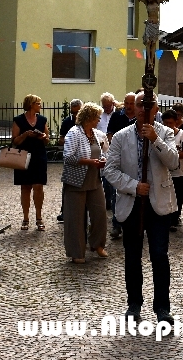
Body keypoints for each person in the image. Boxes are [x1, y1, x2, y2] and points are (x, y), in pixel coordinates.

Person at [102, 91, 180, 325]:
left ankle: (162, 308)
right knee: (132, 257)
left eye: (148, 105)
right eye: (139, 105)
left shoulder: (165, 132)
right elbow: (110, 170)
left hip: (158, 205)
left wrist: (155, 139)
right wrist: (134, 186)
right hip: (131, 203)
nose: (143, 109)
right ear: (133, 108)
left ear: (156, 108)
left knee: (159, 255)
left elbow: (174, 163)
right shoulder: (120, 137)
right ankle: (134, 303)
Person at [60, 102, 108, 264]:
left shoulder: (95, 133)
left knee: (100, 213)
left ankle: (97, 244)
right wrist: (90, 162)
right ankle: (76, 251)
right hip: (76, 181)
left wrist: (101, 160)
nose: (99, 120)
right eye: (97, 117)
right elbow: (68, 157)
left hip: (94, 179)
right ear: (89, 117)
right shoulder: (74, 133)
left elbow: (100, 152)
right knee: (75, 218)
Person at [11, 94, 50, 230]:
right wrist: (26, 134)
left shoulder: (42, 120)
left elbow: (47, 140)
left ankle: (39, 217)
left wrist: (43, 137)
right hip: (23, 156)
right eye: (38, 103)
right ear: (31, 104)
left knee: (38, 187)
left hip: (39, 156)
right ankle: (26, 218)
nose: (40, 106)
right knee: (25, 187)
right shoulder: (18, 120)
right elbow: (15, 141)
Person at [105, 92, 138, 239]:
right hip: (119, 156)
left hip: (135, 159)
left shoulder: (140, 117)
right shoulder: (117, 116)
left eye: (132, 103)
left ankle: (136, 223)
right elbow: (110, 134)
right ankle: (117, 224)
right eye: (127, 103)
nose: (129, 106)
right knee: (116, 192)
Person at [161, 109, 183, 232]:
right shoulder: (159, 135)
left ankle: (175, 217)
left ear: (176, 122)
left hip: (178, 170)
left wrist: (174, 156)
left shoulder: (182, 135)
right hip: (163, 170)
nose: (167, 126)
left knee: (178, 194)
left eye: (170, 123)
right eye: (165, 123)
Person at [56, 98, 83, 223]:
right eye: (73, 112)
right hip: (71, 157)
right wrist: (71, 140)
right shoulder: (67, 122)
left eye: (78, 111)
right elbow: (61, 139)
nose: (76, 115)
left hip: (83, 157)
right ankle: (65, 210)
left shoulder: (86, 122)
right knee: (67, 185)